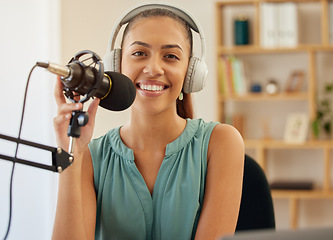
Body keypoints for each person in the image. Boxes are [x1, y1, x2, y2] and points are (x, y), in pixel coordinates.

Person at [52, 4, 244, 240]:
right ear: (117, 65)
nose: (153, 68)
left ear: (191, 73)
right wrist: (71, 154)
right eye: (139, 53)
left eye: (171, 56)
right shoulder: (90, 156)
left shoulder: (221, 143)